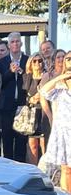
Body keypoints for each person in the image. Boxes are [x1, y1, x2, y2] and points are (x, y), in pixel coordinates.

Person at [39, 51, 71, 187]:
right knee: (66, 168)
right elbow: (44, 91)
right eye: (68, 58)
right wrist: (60, 77)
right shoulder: (60, 87)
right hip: (63, 131)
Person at [0, 31, 28, 161]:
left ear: (21, 43)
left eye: (17, 41)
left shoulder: (28, 60)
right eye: (12, 42)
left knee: (21, 141)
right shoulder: (1, 62)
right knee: (7, 140)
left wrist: (21, 72)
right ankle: (8, 168)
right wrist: (10, 72)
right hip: (6, 107)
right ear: (8, 45)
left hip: (22, 106)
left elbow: (30, 81)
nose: (15, 44)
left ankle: (21, 168)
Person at [22, 53, 46, 164]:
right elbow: (24, 95)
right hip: (31, 114)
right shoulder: (27, 77)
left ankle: (47, 170)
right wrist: (31, 99)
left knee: (44, 144)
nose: (37, 63)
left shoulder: (47, 76)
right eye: (34, 61)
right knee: (33, 146)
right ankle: (34, 170)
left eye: (40, 60)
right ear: (30, 63)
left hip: (44, 113)